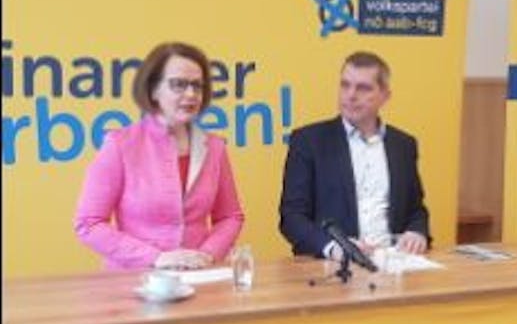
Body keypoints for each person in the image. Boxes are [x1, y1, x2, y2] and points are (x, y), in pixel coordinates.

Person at [74, 42, 244, 270]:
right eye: (179, 84)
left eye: (197, 86)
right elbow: (89, 223)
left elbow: (230, 216)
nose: (191, 94)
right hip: (135, 280)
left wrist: (207, 255)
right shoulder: (119, 145)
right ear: (153, 89)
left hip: (198, 277)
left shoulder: (215, 147)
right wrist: (156, 258)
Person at [279, 51, 430, 261]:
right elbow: (292, 217)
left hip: (394, 261)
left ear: (385, 96)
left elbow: (415, 209)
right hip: (334, 265)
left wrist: (417, 232)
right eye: (345, 85)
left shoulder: (403, 145)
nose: (351, 95)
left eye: (363, 88)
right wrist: (333, 247)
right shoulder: (309, 141)